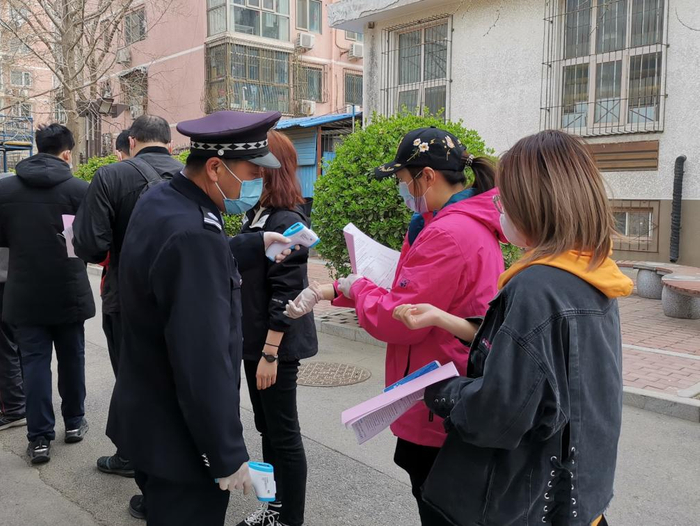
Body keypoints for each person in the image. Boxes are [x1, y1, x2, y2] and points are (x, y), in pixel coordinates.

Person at [392, 130, 632, 526]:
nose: (499, 206)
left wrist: (437, 389)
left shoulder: (535, 288)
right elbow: (547, 369)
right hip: (579, 495)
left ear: (534, 204)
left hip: (527, 501)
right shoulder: (592, 273)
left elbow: (496, 415)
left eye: (506, 197)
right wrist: (445, 319)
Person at [286, 127, 505, 525]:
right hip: (447, 379)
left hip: (437, 391)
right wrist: (337, 290)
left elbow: (402, 319)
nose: (402, 190)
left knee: (439, 506)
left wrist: (358, 287)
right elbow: (410, 290)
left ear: (428, 176)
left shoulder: (447, 233)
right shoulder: (452, 222)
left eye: (404, 180)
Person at [107, 110, 295, 526]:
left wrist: (252, 243)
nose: (258, 183)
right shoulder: (195, 235)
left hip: (148, 415)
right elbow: (202, 360)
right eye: (253, 173)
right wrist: (226, 454)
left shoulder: (164, 199)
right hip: (183, 438)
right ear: (215, 168)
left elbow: (178, 256)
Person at [73, 115, 183, 478]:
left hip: (126, 296)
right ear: (169, 144)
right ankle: (180, 455)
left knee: (133, 379)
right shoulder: (191, 175)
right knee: (178, 375)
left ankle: (133, 457)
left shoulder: (111, 176)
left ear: (131, 141)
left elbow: (90, 244)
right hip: (184, 296)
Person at [236, 130, 318, 526]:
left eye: (254, 163)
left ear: (271, 169)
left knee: (283, 434)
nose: (247, 171)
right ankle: (274, 507)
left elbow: (287, 292)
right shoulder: (258, 214)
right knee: (266, 428)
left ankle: (288, 519)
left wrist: (269, 353)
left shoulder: (287, 220)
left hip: (275, 347)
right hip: (255, 343)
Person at [0, 124, 94, 464]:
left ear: (37, 147)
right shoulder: (80, 189)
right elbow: (90, 240)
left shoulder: (5, 189)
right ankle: (74, 422)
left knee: (34, 362)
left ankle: (39, 438)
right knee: (72, 357)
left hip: (24, 290)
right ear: (67, 153)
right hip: (69, 288)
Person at [0, 246, 26, 431]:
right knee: (20, 342)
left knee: (5, 347)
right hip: (19, 275)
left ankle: (14, 408)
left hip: (3, 276)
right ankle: (23, 400)